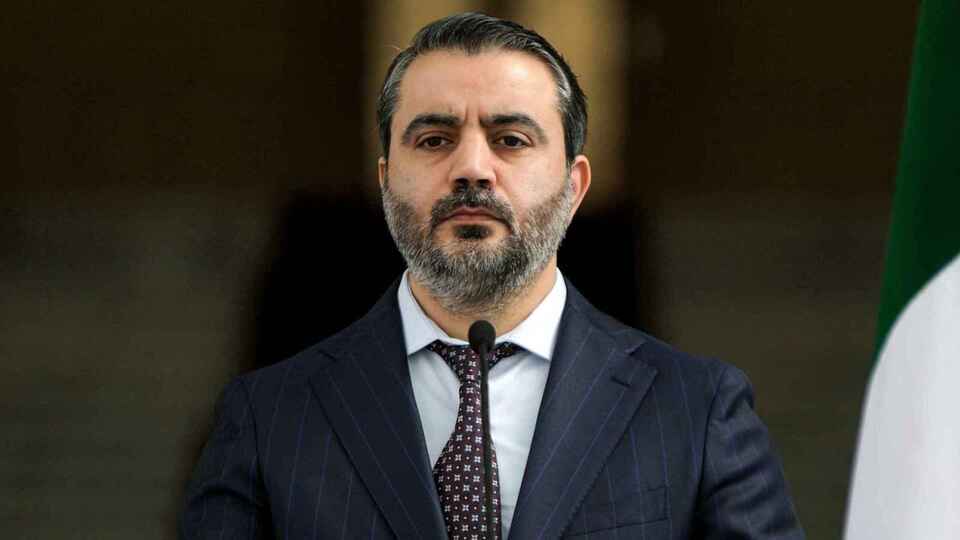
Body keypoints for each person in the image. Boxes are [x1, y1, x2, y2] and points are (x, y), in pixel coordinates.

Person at [180, 12, 804, 539]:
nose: (472, 168)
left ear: (574, 186)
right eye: (433, 139)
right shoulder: (267, 418)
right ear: (385, 180)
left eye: (510, 139)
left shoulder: (697, 411)